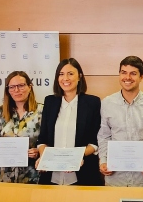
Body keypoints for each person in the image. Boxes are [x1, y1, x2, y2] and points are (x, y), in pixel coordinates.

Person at [36, 58, 102, 186]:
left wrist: (75, 157)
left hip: (83, 174)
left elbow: (95, 142)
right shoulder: (50, 102)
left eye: (70, 74)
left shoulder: (93, 103)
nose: (65, 78)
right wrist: (45, 158)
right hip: (52, 175)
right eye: (61, 74)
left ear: (79, 77)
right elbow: (42, 139)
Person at [98, 56, 143, 187]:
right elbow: (104, 136)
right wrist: (103, 161)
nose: (127, 77)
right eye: (124, 72)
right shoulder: (107, 103)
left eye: (133, 73)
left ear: (141, 77)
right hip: (115, 178)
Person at [0, 71, 43, 184]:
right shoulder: (0, 112)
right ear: (8, 90)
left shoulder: (42, 111)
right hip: (4, 177)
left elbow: (49, 141)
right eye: (12, 87)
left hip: (32, 176)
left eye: (21, 86)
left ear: (30, 86)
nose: (16, 90)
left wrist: (38, 151)